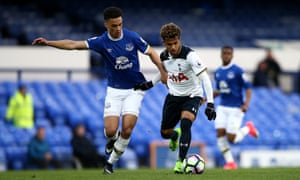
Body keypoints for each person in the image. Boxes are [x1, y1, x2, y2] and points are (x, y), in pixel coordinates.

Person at [32, 6, 167, 174]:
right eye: (114, 26)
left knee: (127, 128)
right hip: (114, 91)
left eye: (120, 25)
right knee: (111, 131)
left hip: (135, 89)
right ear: (106, 25)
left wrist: (163, 71)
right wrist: (49, 43)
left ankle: (110, 164)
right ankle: (111, 140)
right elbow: (73, 44)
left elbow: (152, 53)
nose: (118, 29)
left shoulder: (132, 37)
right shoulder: (101, 42)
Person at [135, 23, 216, 173]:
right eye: (169, 44)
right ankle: (174, 135)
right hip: (173, 97)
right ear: (164, 43)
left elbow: (205, 78)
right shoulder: (163, 56)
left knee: (186, 123)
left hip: (192, 96)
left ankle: (180, 162)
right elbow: (164, 71)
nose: (172, 47)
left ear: (179, 39)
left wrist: (210, 103)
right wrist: (150, 84)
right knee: (165, 133)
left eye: (175, 43)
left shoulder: (190, 56)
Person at [213, 46, 259, 170]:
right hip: (222, 107)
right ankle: (230, 163)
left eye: (229, 53)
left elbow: (248, 87)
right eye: (224, 53)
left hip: (236, 107)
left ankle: (248, 129)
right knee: (220, 134)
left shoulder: (238, 71)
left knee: (232, 139)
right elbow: (219, 90)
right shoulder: (217, 72)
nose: (226, 55)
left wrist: (246, 104)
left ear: (232, 56)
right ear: (221, 55)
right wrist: (207, 99)